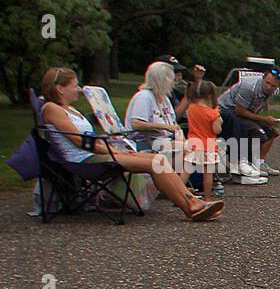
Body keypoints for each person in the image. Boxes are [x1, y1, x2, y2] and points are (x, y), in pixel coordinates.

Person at [39, 67, 222, 221]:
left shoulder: (69, 109)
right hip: (83, 160)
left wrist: (116, 151)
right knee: (155, 162)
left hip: (97, 152)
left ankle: (192, 201)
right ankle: (190, 207)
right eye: (74, 85)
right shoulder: (51, 109)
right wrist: (115, 152)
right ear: (60, 88)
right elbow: (79, 140)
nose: (78, 89)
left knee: (157, 159)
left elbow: (85, 138)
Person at [218, 68, 280, 180]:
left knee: (271, 133)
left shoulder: (274, 92)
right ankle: (242, 162)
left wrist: (265, 121)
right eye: (267, 83)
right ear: (263, 78)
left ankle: (259, 163)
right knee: (257, 132)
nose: (269, 87)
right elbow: (239, 111)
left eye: (273, 86)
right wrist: (263, 119)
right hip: (228, 111)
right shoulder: (249, 87)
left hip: (245, 111)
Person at [125, 61, 184, 162]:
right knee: (189, 149)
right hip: (143, 143)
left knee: (194, 148)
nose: (173, 82)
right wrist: (165, 127)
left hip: (162, 141)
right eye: (171, 79)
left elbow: (174, 124)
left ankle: (177, 176)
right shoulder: (144, 97)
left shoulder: (164, 98)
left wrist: (181, 137)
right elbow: (136, 124)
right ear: (163, 80)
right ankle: (176, 177)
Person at [184, 80, 224, 201]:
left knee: (186, 171)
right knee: (207, 175)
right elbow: (216, 130)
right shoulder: (212, 114)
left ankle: (179, 194)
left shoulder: (191, 108)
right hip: (208, 146)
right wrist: (219, 119)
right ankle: (207, 199)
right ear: (209, 96)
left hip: (193, 143)